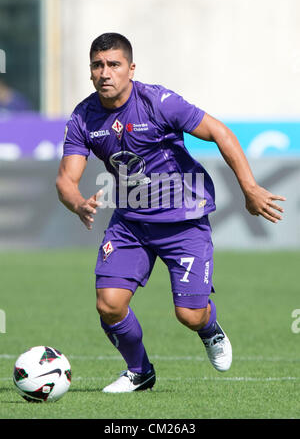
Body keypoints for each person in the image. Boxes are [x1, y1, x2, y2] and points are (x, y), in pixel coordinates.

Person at [56, 33, 286, 393]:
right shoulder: (84, 116)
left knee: (189, 315)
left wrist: (250, 187)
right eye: (98, 65)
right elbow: (66, 179)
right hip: (131, 223)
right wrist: (78, 203)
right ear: (90, 72)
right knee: (109, 305)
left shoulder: (158, 102)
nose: (105, 73)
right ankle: (139, 371)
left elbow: (219, 132)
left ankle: (209, 329)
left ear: (131, 69)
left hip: (183, 221)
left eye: (114, 65)